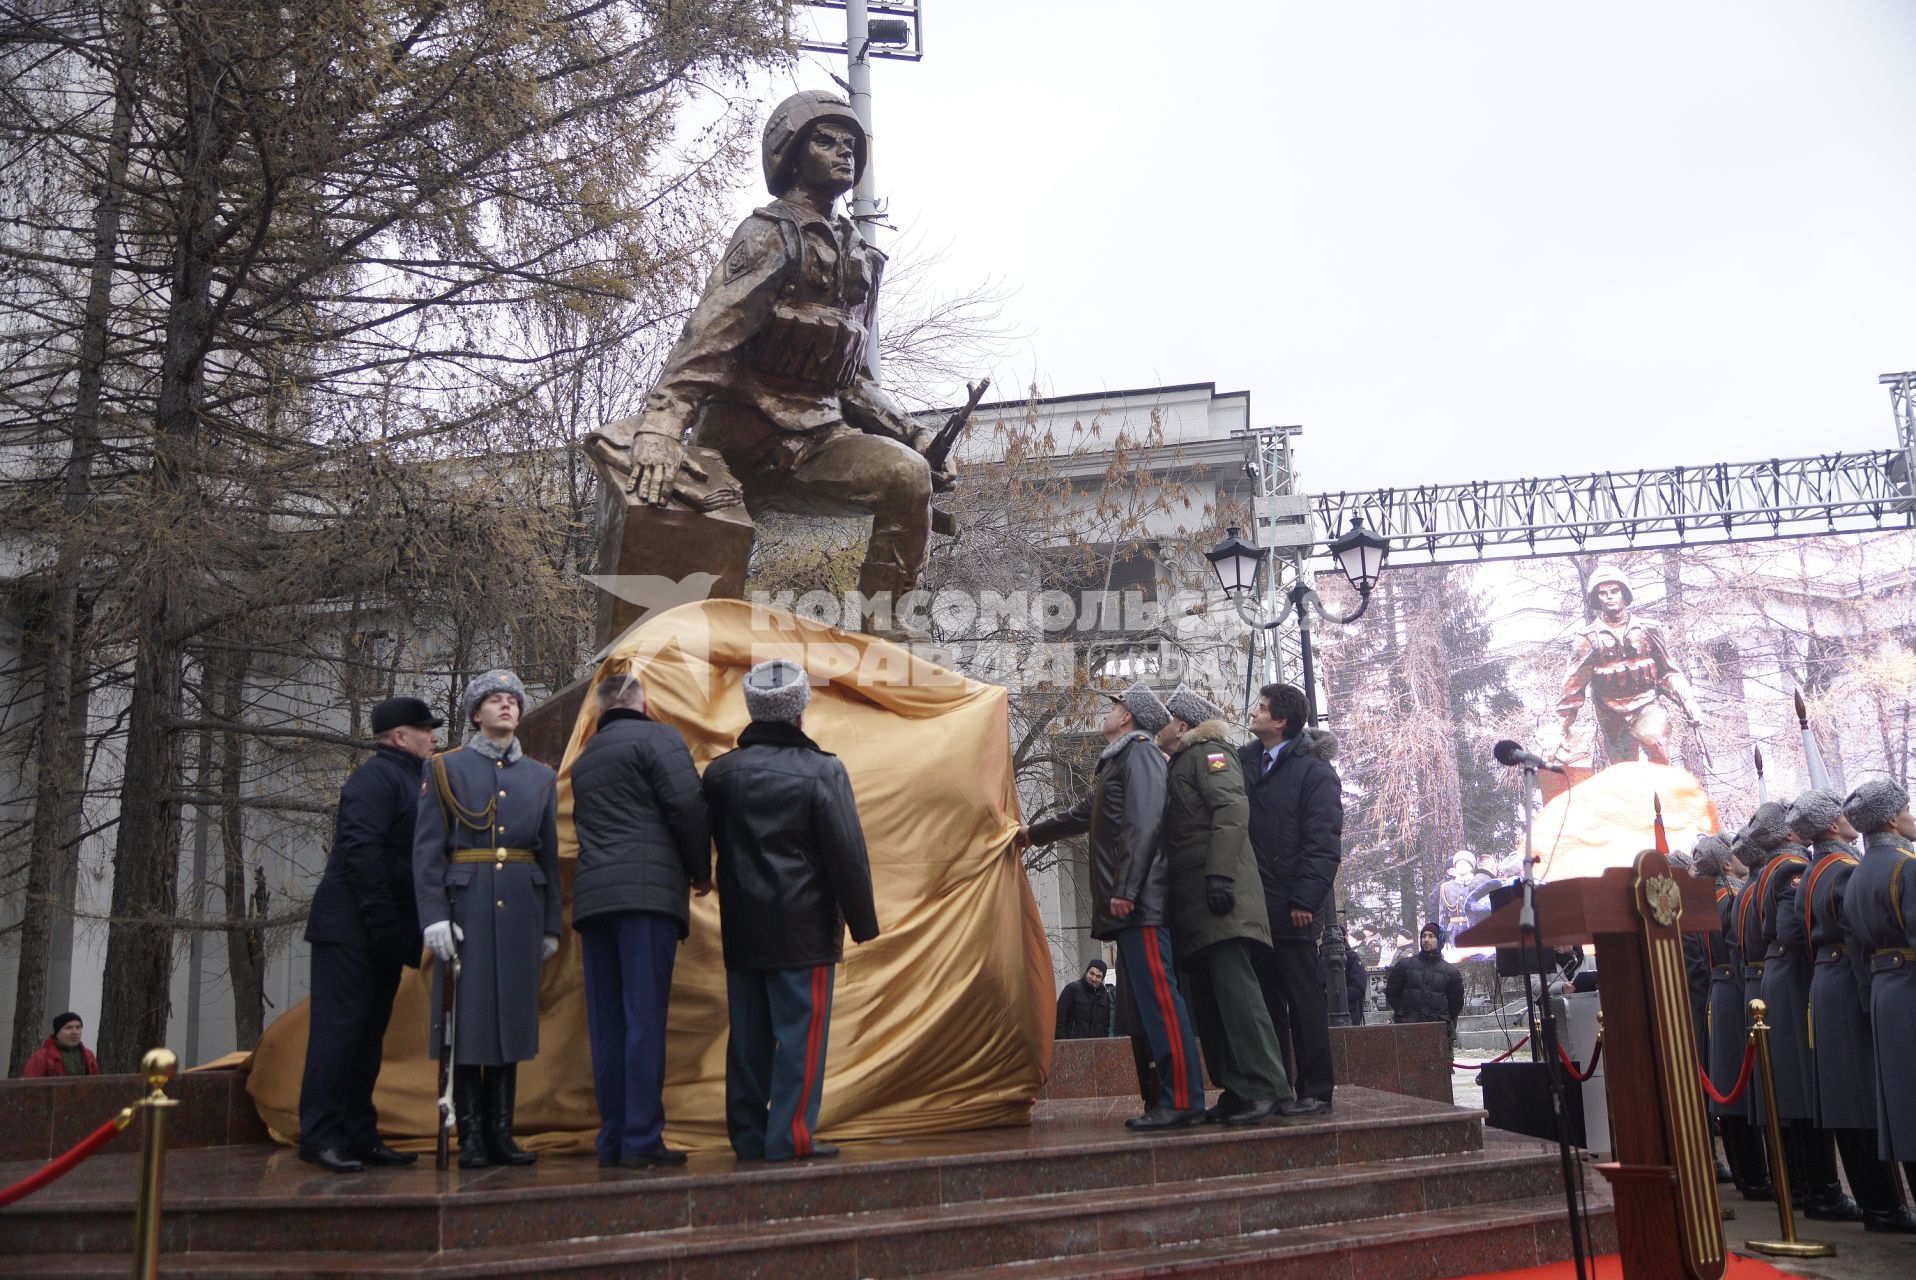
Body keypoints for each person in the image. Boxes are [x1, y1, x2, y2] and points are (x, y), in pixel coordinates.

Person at [587, 91, 938, 641]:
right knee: (687, 545)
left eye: (851, 144)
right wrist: (661, 425)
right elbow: (709, 337)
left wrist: (912, 434)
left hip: (820, 437)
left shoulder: (862, 259)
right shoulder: (767, 235)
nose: (843, 152)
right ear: (790, 153)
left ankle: (887, 632)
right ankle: (662, 649)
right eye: (825, 140)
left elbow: (854, 379)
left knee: (906, 476)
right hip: (741, 436)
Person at [702, 660, 879, 1161]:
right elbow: (847, 855)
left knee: (749, 1039)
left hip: (742, 927)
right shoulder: (823, 770)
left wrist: (699, 876)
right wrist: (863, 924)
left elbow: (698, 838)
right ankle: (790, 1138)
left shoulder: (721, 774)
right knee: (800, 1040)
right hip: (805, 930)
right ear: (801, 710)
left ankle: (749, 1137)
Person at [1022, 683, 1205, 1131]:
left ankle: (1183, 1099)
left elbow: (1145, 825)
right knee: (1146, 1005)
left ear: (1128, 718)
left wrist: (1126, 888)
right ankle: (1167, 1098)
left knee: (1161, 1001)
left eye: (1115, 706)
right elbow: (1081, 815)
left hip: (1140, 904)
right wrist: (1030, 834)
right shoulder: (1120, 761)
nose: (1108, 712)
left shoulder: (1139, 753)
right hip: (1132, 905)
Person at [415, 670, 562, 1169]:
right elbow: (428, 851)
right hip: (466, 909)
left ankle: (502, 1133)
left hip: (521, 907)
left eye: (512, 701)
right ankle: (472, 1135)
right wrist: (434, 915)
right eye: (494, 701)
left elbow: (547, 854)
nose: (506, 707)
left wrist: (549, 924)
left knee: (510, 1024)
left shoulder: (541, 777)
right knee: (471, 1022)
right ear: (476, 714)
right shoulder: (446, 769)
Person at [569, 670, 712, 1168]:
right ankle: (641, 1139)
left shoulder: (585, 761)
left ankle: (611, 1138)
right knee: (643, 1020)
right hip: (646, 899)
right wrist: (701, 869)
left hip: (594, 901)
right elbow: (687, 806)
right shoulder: (660, 738)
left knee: (608, 1024)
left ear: (601, 711)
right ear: (642, 702)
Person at [298, 695, 442, 1172]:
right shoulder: (376, 778)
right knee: (338, 1036)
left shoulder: (412, 779)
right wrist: (385, 926)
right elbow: (363, 853)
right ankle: (320, 1136)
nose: (435, 737)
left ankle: (359, 1135)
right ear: (400, 736)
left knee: (366, 1039)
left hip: (380, 932)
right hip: (351, 930)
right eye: (426, 730)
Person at [1155, 686, 1295, 1125]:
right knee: (1214, 1005)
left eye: (1166, 718)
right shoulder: (1183, 760)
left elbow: (1232, 811)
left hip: (1222, 899)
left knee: (1239, 999)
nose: (1160, 725)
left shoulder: (1211, 753)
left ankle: (1268, 1088)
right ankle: (1237, 1089)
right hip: (1198, 902)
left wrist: (1219, 875)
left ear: (1181, 724)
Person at [1792, 787, 1916, 1232]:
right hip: (1873, 985)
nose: (1909, 815)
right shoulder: (1873, 868)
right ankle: (1882, 1206)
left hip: (1845, 983)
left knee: (1867, 1103)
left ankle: (1879, 1205)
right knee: (1874, 1102)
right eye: (1904, 809)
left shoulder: (1825, 871)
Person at [1735, 800, 1859, 1221]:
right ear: (1788, 836)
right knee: (1798, 1089)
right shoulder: (1790, 867)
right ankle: (1819, 1190)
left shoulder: (1774, 869)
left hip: (1776, 975)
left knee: (1790, 1088)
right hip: (1791, 977)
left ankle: (1807, 1188)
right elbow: (1790, 930)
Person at [1239, 682, 1341, 1116]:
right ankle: (1277, 1086)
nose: (1254, 713)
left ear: (1280, 721)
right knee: (1265, 1003)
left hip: (1293, 907)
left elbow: (1323, 843)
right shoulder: (1244, 762)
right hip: (1253, 905)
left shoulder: (1314, 772)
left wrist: (1305, 899)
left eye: (1262, 708)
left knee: (1303, 1002)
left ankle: (1316, 1090)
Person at [1840, 778, 1916, 1205]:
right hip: (1910, 987)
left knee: (1904, 1106)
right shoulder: (1907, 866)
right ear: (1891, 818)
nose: (1911, 816)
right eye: (1906, 808)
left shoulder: (1856, 874)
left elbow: (1856, 952)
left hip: (1883, 992)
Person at [1548, 565, 1703, 767]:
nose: (1609, 597)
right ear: (1596, 599)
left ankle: (1664, 795)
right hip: (1611, 715)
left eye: (1614, 591)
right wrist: (1559, 728)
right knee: (1624, 771)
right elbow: (1572, 688)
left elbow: (1668, 672)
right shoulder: (1587, 638)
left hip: (1647, 704)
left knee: (1653, 740)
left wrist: (1688, 702)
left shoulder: (1649, 629)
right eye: (1603, 593)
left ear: (1624, 594)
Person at [1384, 925, 1463, 1035]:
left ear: (1439, 940)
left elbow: (1456, 1003)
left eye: (1431, 936)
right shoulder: (1404, 966)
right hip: (1408, 1030)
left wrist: (1441, 1018)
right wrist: (1405, 1015)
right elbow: (1392, 993)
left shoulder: (1451, 972)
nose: (1426, 940)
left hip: (1438, 1032)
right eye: (1424, 936)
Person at [22, 1011, 99, 1077]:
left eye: (78, 1027)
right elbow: (29, 1087)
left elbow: (97, 1085)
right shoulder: (41, 1057)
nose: (75, 1032)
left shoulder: (88, 1055)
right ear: (57, 1033)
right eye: (68, 1028)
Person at [1055, 959, 1113, 1041]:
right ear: (1086, 972)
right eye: (1092, 973)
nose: (1094, 978)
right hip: (1073, 1046)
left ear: (1102, 979)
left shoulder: (1104, 996)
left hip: (1095, 1048)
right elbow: (1059, 1020)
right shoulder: (1072, 989)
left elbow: (1106, 1025)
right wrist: (1064, 1045)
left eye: (1098, 976)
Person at [1344, 936, 1369, 1026]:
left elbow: (1359, 988)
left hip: (1350, 1012)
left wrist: (1336, 994)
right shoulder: (1320, 956)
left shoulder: (1352, 957)